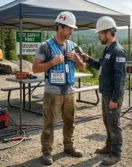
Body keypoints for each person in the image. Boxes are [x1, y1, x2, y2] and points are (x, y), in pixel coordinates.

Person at [32, 11, 85, 165]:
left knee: (70, 121)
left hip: (70, 92)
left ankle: (69, 146)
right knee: (49, 123)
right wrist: (52, 63)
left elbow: (83, 67)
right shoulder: (45, 46)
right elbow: (35, 68)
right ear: (60, 27)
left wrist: (77, 58)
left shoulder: (73, 46)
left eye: (72, 29)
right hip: (52, 93)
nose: (72, 31)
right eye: (69, 28)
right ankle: (46, 152)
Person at [80, 16, 127, 165]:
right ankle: (108, 146)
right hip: (106, 93)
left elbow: (120, 79)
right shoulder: (108, 49)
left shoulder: (118, 52)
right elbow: (100, 65)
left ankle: (116, 153)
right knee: (108, 122)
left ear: (108, 33)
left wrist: (115, 99)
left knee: (114, 124)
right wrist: (87, 59)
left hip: (113, 95)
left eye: (100, 33)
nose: (98, 36)